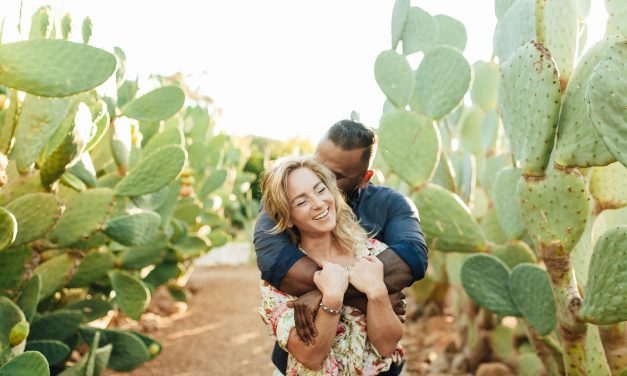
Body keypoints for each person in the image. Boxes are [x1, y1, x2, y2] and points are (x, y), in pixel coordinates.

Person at [254, 120, 428, 375]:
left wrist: (328, 292)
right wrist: (353, 293)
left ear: (364, 177)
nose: (318, 176)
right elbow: (274, 261)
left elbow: (413, 256)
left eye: (329, 179)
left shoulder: (389, 211)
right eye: (301, 201)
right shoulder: (283, 193)